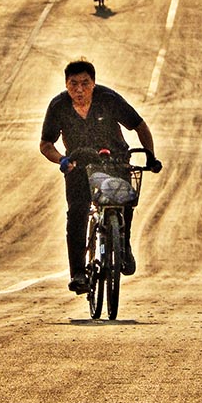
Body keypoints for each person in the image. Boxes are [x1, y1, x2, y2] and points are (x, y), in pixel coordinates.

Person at [40, 59, 162, 294]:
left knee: (124, 199)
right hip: (78, 165)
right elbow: (46, 143)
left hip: (115, 160)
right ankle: (77, 273)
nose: (79, 89)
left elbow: (139, 126)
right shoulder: (58, 106)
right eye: (73, 84)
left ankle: (123, 245)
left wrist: (151, 156)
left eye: (85, 83)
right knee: (77, 213)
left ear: (94, 83)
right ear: (66, 84)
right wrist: (61, 160)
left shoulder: (109, 99)